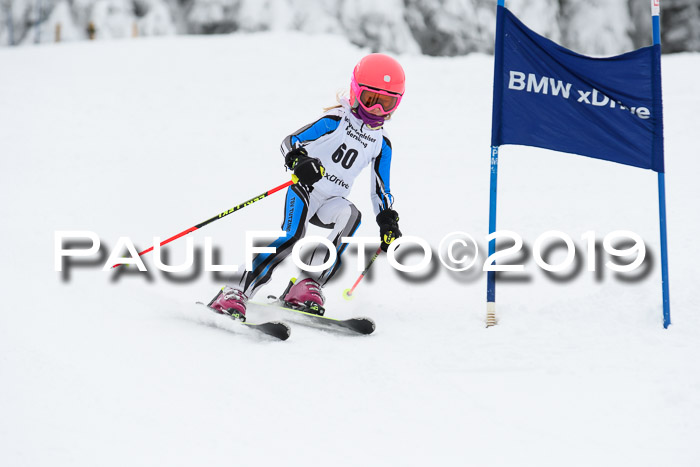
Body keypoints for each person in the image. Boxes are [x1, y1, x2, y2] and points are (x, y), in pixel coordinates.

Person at [209, 53, 405, 320]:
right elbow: (289, 141)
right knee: (291, 237)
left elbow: (380, 189)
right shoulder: (336, 121)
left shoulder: (382, 143)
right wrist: (299, 160)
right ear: (356, 92)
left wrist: (386, 220)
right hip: (306, 190)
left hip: (331, 202)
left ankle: (306, 284)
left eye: (387, 103)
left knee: (351, 216)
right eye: (371, 100)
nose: (376, 111)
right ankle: (235, 290)